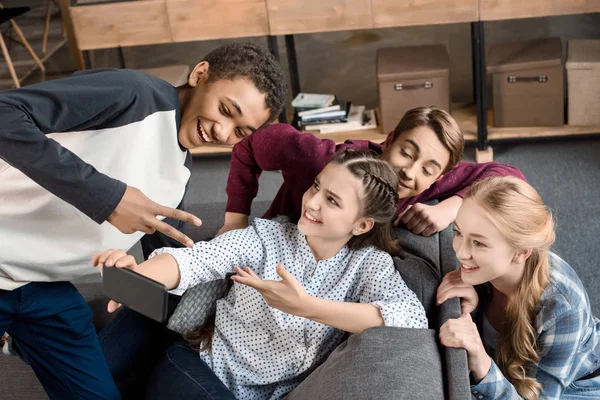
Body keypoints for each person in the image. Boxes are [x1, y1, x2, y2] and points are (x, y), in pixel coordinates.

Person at [0, 41, 286, 400]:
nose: (223, 133)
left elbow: (161, 278)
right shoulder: (133, 94)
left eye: (240, 132)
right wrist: (109, 198)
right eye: (226, 110)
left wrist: (131, 275)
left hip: (40, 291)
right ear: (200, 75)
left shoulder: (178, 179)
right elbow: (4, 113)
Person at [95, 149, 428, 400]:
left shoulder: (369, 265)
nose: (311, 203)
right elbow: (197, 261)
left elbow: (411, 318)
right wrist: (137, 277)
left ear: (362, 224)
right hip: (199, 365)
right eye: (316, 187)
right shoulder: (265, 238)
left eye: (332, 200)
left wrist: (305, 306)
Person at [219, 106, 525, 238]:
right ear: (389, 140)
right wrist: (236, 219)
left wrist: (452, 206)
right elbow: (250, 142)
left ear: (440, 177)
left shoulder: (430, 183)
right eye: (406, 152)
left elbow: (509, 177)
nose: (409, 172)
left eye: (428, 169)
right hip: (285, 238)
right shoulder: (321, 160)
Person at [436, 176, 600, 399]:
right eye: (458, 233)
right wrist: (473, 308)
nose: (461, 252)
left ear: (521, 252)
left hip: (577, 384)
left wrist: (483, 363)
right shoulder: (489, 267)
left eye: (479, 243)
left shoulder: (564, 310)